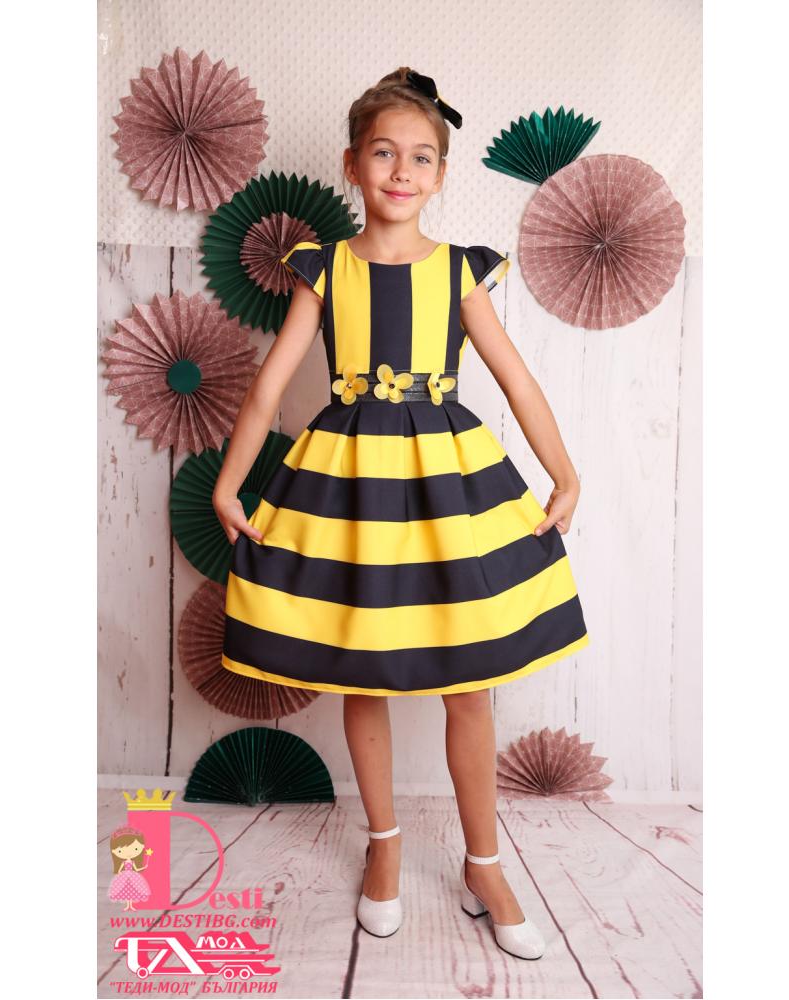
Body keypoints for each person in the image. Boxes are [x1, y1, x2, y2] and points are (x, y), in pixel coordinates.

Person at [213, 67, 589, 960]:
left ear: (442, 175)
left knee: (471, 681)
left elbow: (516, 380)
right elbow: (269, 386)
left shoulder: (459, 272)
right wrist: (230, 485)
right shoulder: (324, 268)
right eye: (384, 153)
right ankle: (383, 845)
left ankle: (484, 862)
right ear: (353, 164)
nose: (402, 170)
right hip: (349, 490)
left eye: (422, 157)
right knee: (365, 670)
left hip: (444, 488)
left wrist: (565, 474)